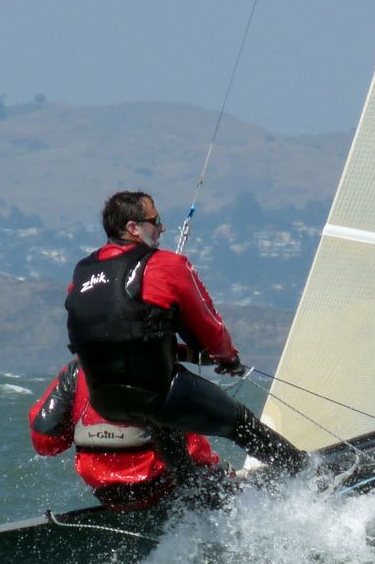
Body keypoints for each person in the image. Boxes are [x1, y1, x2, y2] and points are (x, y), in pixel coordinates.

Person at [64, 190, 307, 475]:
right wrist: (227, 359)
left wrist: (179, 352)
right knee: (239, 422)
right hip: (160, 394)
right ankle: (306, 474)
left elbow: (120, 340)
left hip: (107, 402)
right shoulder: (165, 265)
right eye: (156, 221)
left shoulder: (81, 274)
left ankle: (190, 490)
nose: (163, 228)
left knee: (162, 421)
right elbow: (209, 330)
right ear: (133, 228)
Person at [29, 358, 224, 509]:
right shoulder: (157, 364)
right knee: (181, 421)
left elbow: (44, 441)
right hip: (160, 487)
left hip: (107, 494)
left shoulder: (76, 370)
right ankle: (216, 489)